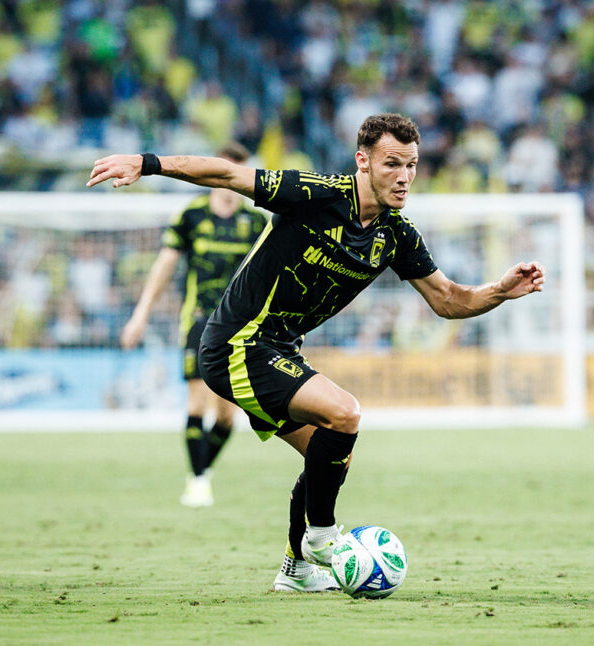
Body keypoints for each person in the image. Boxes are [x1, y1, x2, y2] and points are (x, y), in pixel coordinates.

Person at [87, 113, 545, 593]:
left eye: (411, 165)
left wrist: (499, 290)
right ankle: (323, 537)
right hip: (236, 344)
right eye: (392, 164)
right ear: (362, 161)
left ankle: (296, 569)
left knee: (330, 457)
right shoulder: (316, 193)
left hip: (279, 349)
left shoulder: (396, 235)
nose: (405, 176)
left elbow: (449, 300)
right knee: (344, 413)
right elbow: (226, 173)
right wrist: (147, 162)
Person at [120, 142, 268, 508]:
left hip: (241, 326)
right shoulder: (192, 216)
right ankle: (199, 479)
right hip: (200, 320)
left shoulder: (256, 223)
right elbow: (163, 267)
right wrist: (141, 314)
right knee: (197, 401)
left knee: (227, 416)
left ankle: (200, 472)